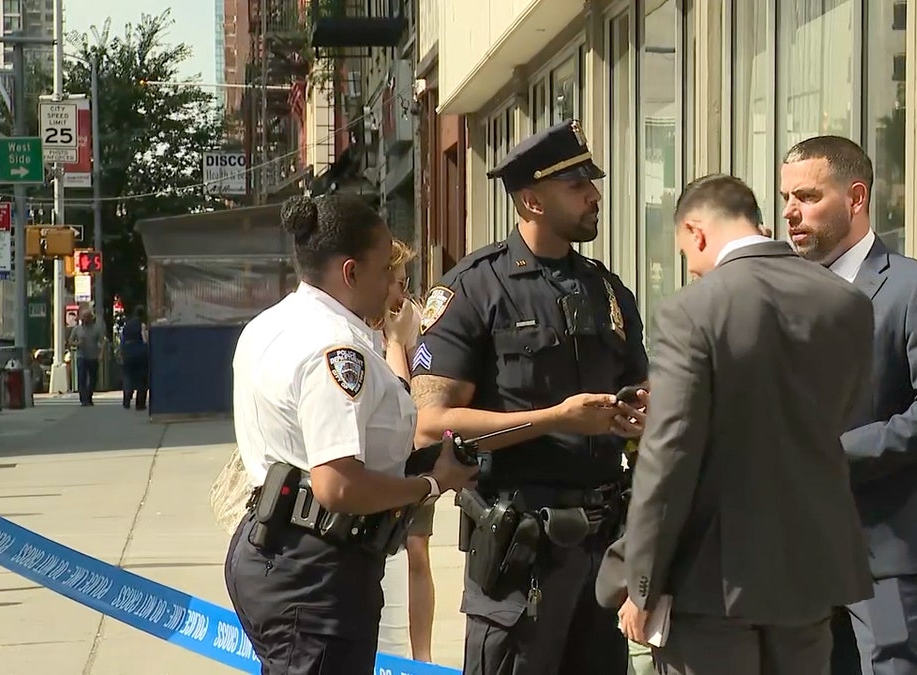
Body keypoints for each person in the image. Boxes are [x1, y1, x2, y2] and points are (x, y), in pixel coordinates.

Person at [594, 174, 875, 675]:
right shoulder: (846, 301)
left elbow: (670, 457)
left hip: (712, 578)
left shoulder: (693, 310)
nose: (693, 266)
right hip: (808, 570)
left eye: (686, 253)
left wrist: (642, 582)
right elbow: (841, 416)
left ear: (696, 232)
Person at [410, 117, 650, 675]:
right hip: (521, 557)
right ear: (531, 201)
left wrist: (643, 410)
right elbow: (431, 422)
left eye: (591, 182)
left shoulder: (606, 289)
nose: (594, 196)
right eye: (576, 186)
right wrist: (554, 419)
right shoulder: (472, 289)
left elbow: (639, 385)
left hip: (601, 553)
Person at [224, 194, 477, 675]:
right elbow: (337, 485)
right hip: (316, 573)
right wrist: (431, 485)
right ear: (350, 273)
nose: (393, 288)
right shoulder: (338, 349)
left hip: (273, 552)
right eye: (385, 270)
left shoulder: (269, 324)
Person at [779, 136, 917, 675]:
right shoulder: (786, 296)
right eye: (785, 199)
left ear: (856, 196)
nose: (791, 213)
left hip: (889, 544)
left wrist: (835, 454)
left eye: (807, 196)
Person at [367, 238, 438, 663]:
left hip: (409, 451)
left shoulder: (409, 319)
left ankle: (421, 657)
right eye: (396, 283)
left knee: (416, 550)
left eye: (406, 283)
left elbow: (409, 397)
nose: (402, 293)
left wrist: (397, 339)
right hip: (370, 458)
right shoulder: (352, 324)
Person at [67, 309, 104, 406]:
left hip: (93, 356)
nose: (84, 319)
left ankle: (89, 396)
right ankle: (83, 398)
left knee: (93, 378)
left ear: (91, 318)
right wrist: (77, 343)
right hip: (81, 356)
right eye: (83, 317)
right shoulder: (77, 329)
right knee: (82, 377)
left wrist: (101, 354)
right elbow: (70, 341)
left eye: (87, 317)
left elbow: (102, 341)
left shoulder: (96, 329)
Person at [120, 306, 150, 410]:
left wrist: (122, 352)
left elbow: (122, 339)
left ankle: (127, 398)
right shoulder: (142, 325)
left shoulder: (127, 325)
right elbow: (145, 339)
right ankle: (140, 403)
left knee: (128, 376)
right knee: (142, 378)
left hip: (128, 353)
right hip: (140, 353)